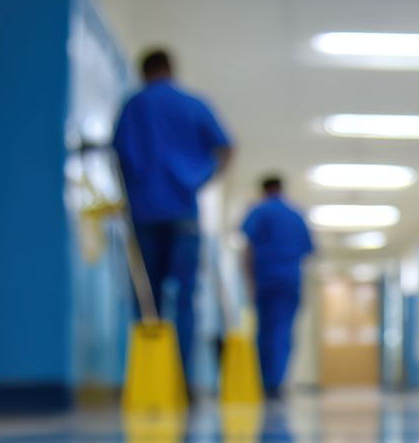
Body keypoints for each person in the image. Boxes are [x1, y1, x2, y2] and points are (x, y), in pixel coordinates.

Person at [112, 48, 233, 388]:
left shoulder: (133, 105)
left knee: (146, 300)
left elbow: (117, 155)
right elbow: (227, 148)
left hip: (144, 213)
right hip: (184, 212)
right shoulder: (193, 103)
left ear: (144, 72)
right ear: (171, 69)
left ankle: (151, 380)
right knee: (185, 296)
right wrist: (198, 179)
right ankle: (183, 381)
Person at [239, 175, 315, 399]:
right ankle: (277, 382)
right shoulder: (296, 214)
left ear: (263, 190)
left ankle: (265, 381)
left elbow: (247, 249)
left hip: (265, 280)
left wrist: (248, 282)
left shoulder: (258, 211)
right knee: (284, 331)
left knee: (265, 331)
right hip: (290, 281)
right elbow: (308, 253)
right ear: (282, 188)